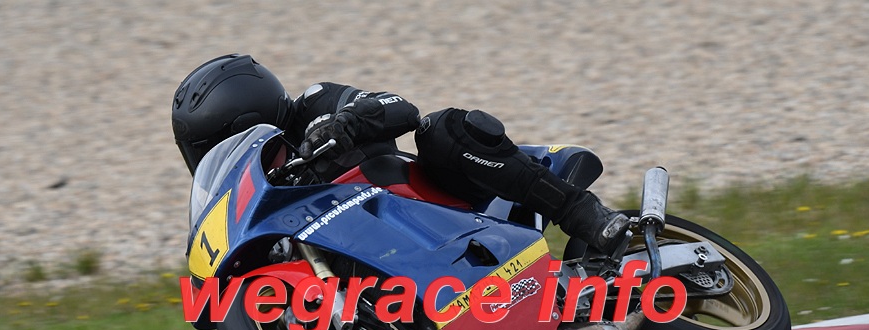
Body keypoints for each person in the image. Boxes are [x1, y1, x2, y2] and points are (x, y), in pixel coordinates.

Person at [172, 54, 629, 253]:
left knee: (441, 130)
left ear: (246, 120)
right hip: (380, 255)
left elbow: (400, 108)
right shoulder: (259, 197)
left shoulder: (315, 105)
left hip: (442, 208)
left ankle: (582, 213)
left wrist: (346, 123)